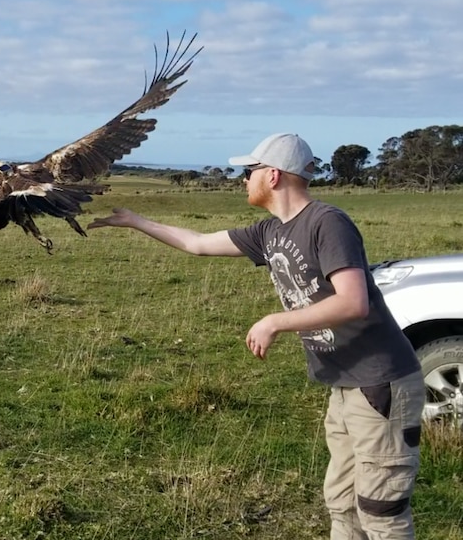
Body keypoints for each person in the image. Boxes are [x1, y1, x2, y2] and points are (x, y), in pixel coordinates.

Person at [88, 133, 425, 540]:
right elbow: (197, 243)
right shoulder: (270, 232)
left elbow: (354, 302)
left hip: (380, 384)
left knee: (380, 509)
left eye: (249, 172)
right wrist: (135, 221)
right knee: (341, 501)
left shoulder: (327, 222)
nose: (242, 179)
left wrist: (275, 321)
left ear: (274, 175)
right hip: (344, 385)